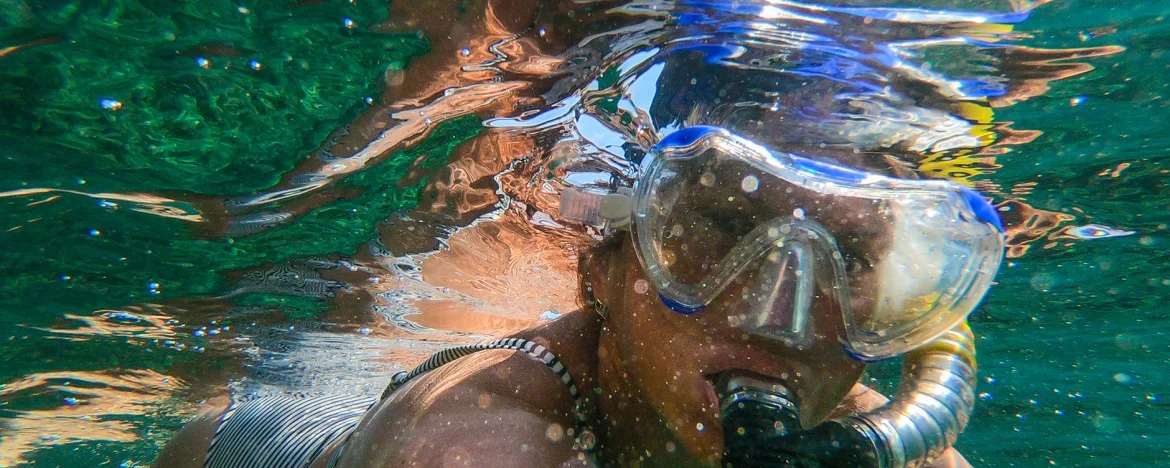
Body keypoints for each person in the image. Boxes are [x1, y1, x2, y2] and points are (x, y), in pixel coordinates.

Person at [155, 125, 1003, 467]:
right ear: (600, 269)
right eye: (715, 227)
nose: (775, 311)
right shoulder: (475, 437)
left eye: (847, 254)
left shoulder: (884, 440)